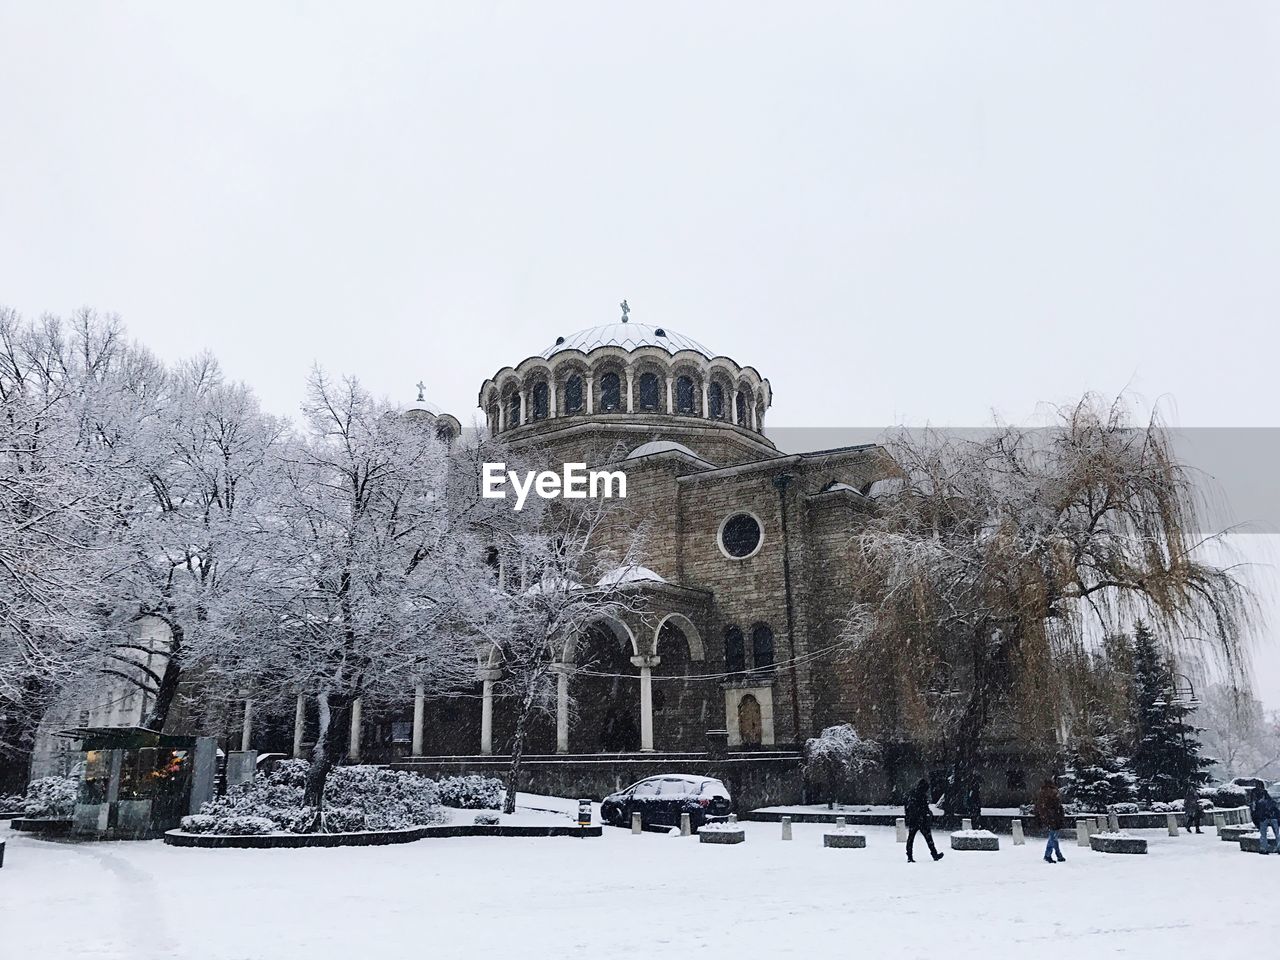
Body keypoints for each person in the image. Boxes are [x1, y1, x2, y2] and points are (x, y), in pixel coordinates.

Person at [904, 778, 944, 863]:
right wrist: (926, 813)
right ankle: (934, 854)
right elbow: (921, 807)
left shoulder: (912, 794)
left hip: (915, 819)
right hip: (920, 820)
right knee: (927, 838)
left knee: (912, 838)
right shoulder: (919, 795)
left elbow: (908, 807)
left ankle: (910, 856)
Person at [1033, 780, 1067, 863]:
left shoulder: (1042, 794)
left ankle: (1058, 855)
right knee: (1053, 837)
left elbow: (1039, 807)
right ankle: (1048, 855)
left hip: (1048, 817)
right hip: (1054, 818)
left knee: (1054, 837)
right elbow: (1057, 806)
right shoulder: (1052, 793)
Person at [1250, 786, 1280, 855]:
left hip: (1263, 818)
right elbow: (1276, 810)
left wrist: (1257, 822)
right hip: (1273, 817)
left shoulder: (1258, 802)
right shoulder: (1271, 801)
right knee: (1277, 834)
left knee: (1263, 835)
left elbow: (1256, 813)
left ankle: (1264, 849)